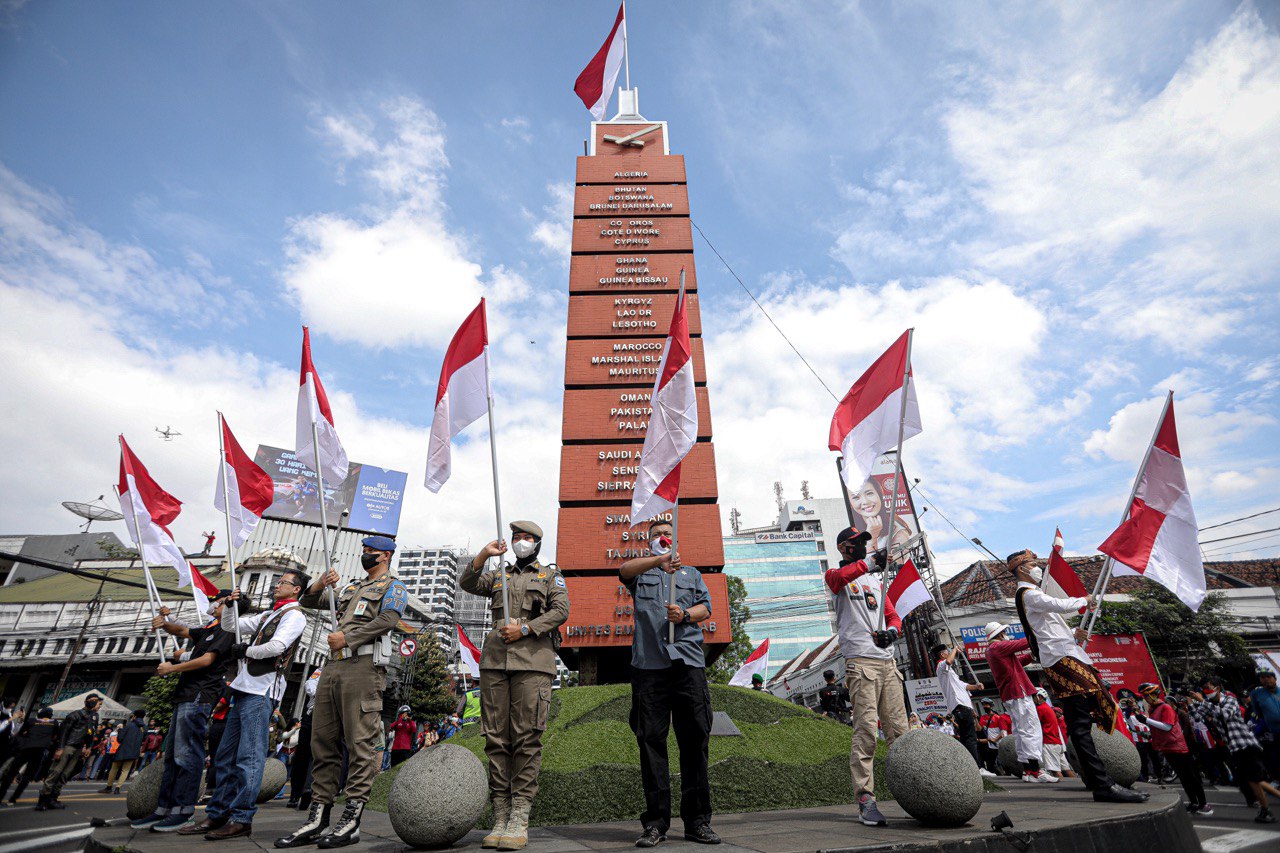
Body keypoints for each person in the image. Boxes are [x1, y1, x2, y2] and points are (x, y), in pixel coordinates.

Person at [276, 535, 408, 848]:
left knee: (360, 745)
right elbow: (307, 601)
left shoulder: (393, 587)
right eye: (363, 551)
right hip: (333, 667)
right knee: (322, 742)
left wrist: (350, 639)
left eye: (371, 552)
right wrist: (321, 584)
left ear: (386, 556)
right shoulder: (350, 587)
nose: (366, 555)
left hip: (363, 667)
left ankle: (351, 819)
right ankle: (317, 817)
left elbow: (389, 619)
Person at [460, 520, 569, 851]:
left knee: (525, 738)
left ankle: (519, 817)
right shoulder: (498, 574)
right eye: (516, 537)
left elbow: (561, 610)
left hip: (533, 661)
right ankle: (501, 815)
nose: (521, 542)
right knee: (495, 739)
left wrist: (525, 629)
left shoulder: (550, 575)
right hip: (495, 661)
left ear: (536, 543)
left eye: (527, 538)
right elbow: (467, 582)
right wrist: (483, 555)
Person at [1007, 549, 1147, 803]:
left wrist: (1073, 632)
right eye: (1032, 563)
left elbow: (1049, 627)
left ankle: (1099, 781)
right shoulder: (1027, 594)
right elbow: (1059, 606)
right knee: (1082, 719)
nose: (1038, 567)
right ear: (1021, 569)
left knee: (1080, 721)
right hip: (1059, 659)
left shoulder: (1034, 595)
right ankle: (1101, 784)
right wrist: (1084, 599)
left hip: (1064, 653)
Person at [177, 568, 308, 840]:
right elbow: (230, 625)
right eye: (278, 581)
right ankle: (217, 814)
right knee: (225, 756)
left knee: (249, 757)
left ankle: (241, 817)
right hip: (244, 688)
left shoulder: (294, 615)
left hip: (262, 692)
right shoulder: (268, 614)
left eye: (283, 582)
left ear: (296, 589)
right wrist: (230, 605)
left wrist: (244, 651)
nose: (277, 585)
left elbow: (277, 646)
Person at [619, 517, 720, 848]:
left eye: (667, 534)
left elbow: (706, 607)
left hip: (688, 664)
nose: (663, 538)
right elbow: (624, 571)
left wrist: (686, 615)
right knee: (651, 744)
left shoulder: (691, 574)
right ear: (650, 542)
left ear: (676, 540)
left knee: (695, 742)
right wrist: (658, 560)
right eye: (657, 536)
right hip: (649, 667)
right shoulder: (643, 572)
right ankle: (656, 823)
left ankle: (697, 821)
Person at [131, 590, 236, 831]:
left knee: (187, 755)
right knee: (172, 756)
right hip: (185, 694)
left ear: (228, 606)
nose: (213, 605)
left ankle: (183, 810)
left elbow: (206, 661)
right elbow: (181, 631)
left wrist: (172, 668)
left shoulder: (228, 630)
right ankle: (163, 809)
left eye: (218, 602)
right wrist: (165, 623)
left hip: (200, 695)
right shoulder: (209, 629)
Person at [824, 526, 907, 827]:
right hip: (860, 663)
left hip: (887, 663)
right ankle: (865, 799)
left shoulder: (875, 581)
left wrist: (892, 633)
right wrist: (870, 562)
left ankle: (911, 789)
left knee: (900, 732)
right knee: (866, 732)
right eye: (856, 544)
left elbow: (892, 614)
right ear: (844, 548)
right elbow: (839, 579)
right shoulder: (837, 577)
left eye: (864, 543)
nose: (862, 547)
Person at [1190, 675, 1280, 823]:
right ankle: (1267, 806)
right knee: (1251, 780)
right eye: (1203, 690)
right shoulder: (1209, 704)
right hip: (1234, 748)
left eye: (1208, 688)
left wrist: (1202, 701)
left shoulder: (1229, 700)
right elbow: (1198, 717)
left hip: (1245, 744)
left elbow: (1224, 714)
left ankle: (1266, 811)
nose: (1205, 692)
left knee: (1253, 779)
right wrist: (1191, 703)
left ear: (1217, 688)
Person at [984, 621, 1055, 783]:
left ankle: (1029, 771)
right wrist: (1036, 632)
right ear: (999, 634)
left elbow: (1018, 662)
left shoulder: (993, 650)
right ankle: (1036, 771)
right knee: (1030, 730)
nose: (1006, 634)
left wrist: (1032, 655)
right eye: (1004, 632)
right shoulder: (997, 647)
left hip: (1012, 694)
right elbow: (1024, 643)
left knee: (1021, 732)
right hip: (1018, 692)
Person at [1134, 683, 1210, 815]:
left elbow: (1167, 727)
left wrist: (1146, 720)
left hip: (1178, 748)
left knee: (1191, 777)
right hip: (1167, 747)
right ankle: (1193, 802)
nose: (1145, 699)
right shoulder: (1153, 709)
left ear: (1153, 695)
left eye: (1146, 696)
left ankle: (1203, 804)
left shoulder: (1166, 707)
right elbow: (1155, 727)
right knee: (1183, 778)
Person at [933, 644, 993, 777]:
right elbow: (949, 661)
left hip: (963, 706)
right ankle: (977, 768)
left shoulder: (950, 673)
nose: (950, 654)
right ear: (942, 654)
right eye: (947, 652)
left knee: (967, 738)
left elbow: (964, 686)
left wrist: (976, 686)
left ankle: (971, 767)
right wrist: (955, 648)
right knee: (970, 738)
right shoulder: (942, 666)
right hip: (960, 706)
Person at [37, 692, 100, 810]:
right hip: (67, 747)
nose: (96, 703)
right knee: (55, 772)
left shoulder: (94, 717)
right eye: (93, 700)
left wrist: (89, 747)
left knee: (65, 775)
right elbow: (63, 732)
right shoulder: (75, 715)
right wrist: (60, 748)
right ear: (87, 701)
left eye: (97, 701)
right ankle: (43, 800)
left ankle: (53, 798)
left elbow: (92, 733)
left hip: (79, 749)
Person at [0, 707, 56, 806]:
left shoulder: (32, 721)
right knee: (27, 777)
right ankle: (13, 799)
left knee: (11, 773)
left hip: (26, 749)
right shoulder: (54, 723)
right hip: (39, 751)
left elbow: (21, 733)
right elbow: (55, 737)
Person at [287, 667, 322, 810]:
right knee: (302, 755)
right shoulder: (323, 669)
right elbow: (310, 685)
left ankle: (309, 790)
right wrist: (322, 695)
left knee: (318, 756)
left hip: (329, 719)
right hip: (311, 716)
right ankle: (295, 794)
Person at [102, 709, 146, 794]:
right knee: (125, 770)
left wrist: (120, 732)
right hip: (134, 751)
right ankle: (118, 788)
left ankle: (109, 787)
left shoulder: (129, 725)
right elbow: (143, 739)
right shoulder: (144, 728)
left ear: (134, 716)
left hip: (122, 750)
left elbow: (120, 739)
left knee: (114, 768)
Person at [1249, 668, 1280, 782]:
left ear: (1275, 678)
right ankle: (1276, 780)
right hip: (1273, 732)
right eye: (1262, 677)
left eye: (1268, 677)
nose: (1266, 679)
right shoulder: (1256, 694)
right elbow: (1258, 713)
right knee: (1274, 758)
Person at [1034, 690, 1067, 778]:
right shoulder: (1048, 707)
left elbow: (1035, 724)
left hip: (1049, 742)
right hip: (1056, 742)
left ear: (1040, 697)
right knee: (1066, 769)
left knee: (1055, 771)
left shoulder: (1041, 708)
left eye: (1033, 697)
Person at [976, 699, 1009, 775]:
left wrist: (995, 739)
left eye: (986, 705)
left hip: (998, 744)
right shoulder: (982, 717)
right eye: (983, 705)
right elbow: (979, 729)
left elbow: (1003, 732)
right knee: (991, 765)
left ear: (991, 706)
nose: (985, 706)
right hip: (990, 745)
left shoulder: (998, 717)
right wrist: (975, 718)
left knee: (1001, 764)